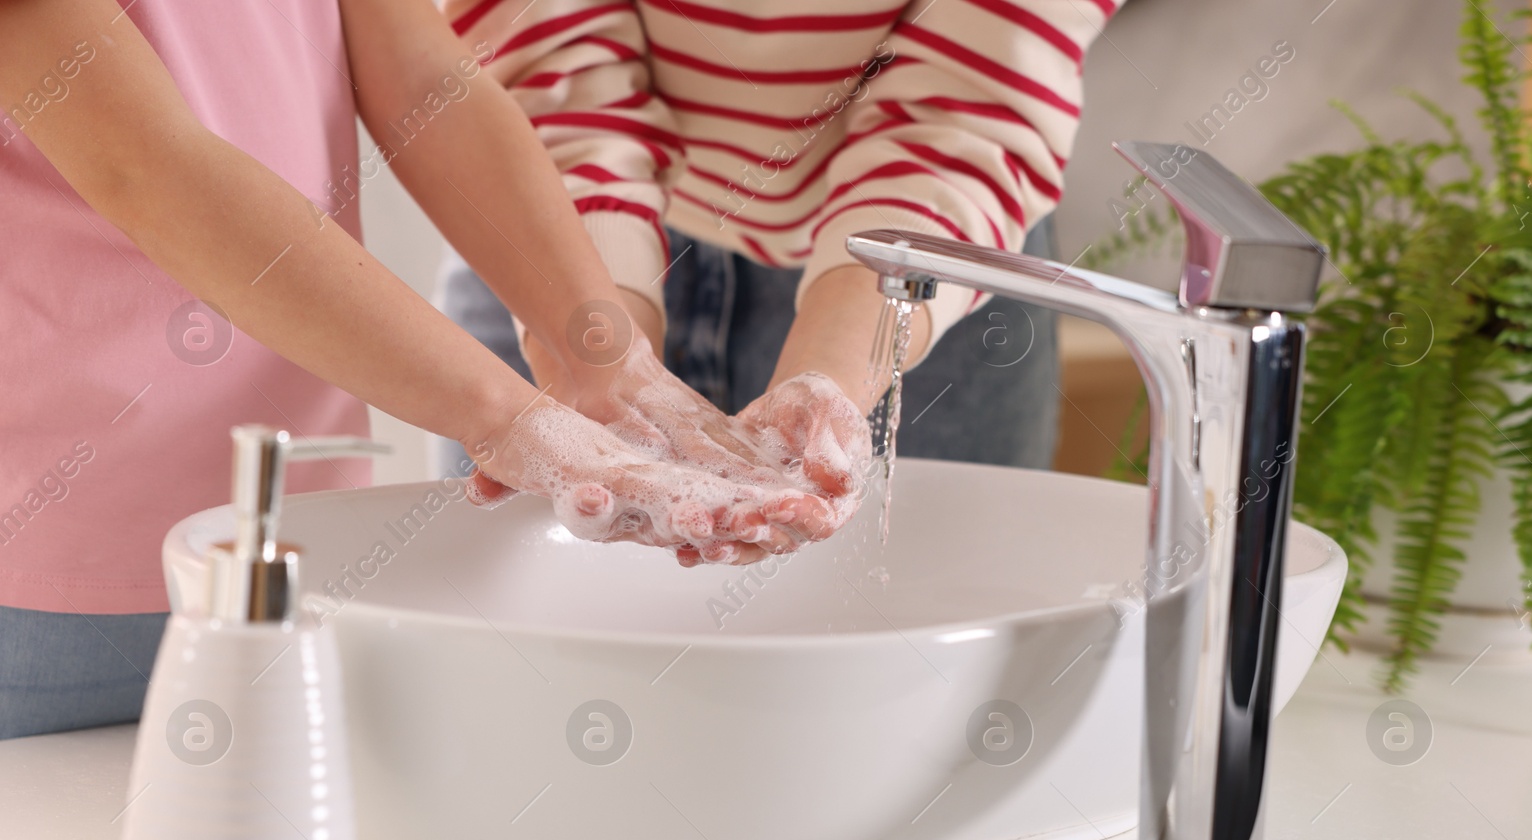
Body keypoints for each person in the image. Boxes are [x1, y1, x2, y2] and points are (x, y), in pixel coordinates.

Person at [0, 0, 866, 739]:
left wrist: (609, 361)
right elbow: (148, 167)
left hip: (300, 537)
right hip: (41, 569)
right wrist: (511, 419)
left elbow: (425, 82)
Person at [435, 0, 1122, 470]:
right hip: (561, 235)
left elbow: (971, 96)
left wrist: (825, 383)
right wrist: (598, 360)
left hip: (925, 267)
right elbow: (552, 58)